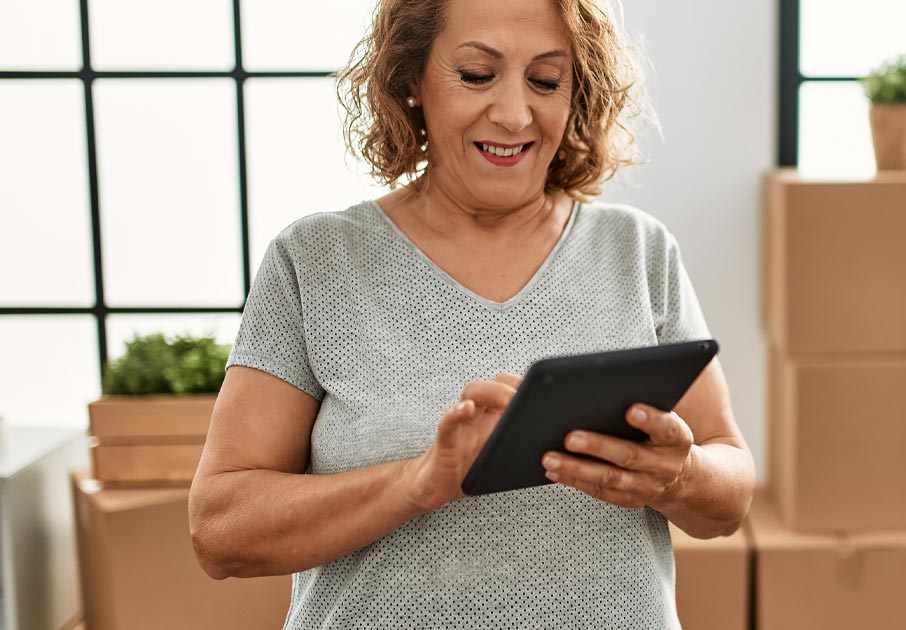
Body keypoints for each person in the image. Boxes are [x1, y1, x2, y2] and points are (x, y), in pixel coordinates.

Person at [187, 0, 755, 627]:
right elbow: (219, 529)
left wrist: (683, 476)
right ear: (411, 80)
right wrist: (420, 482)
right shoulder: (315, 260)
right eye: (477, 75)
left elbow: (729, 489)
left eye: (545, 81)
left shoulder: (636, 251)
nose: (514, 115)